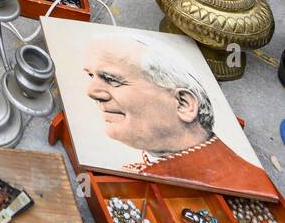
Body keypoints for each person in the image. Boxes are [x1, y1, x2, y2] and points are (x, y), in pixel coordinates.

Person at [83, 36, 266, 193]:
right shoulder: (147, 168)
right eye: (91, 76)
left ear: (183, 104)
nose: (91, 92)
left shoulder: (247, 184)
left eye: (111, 79)